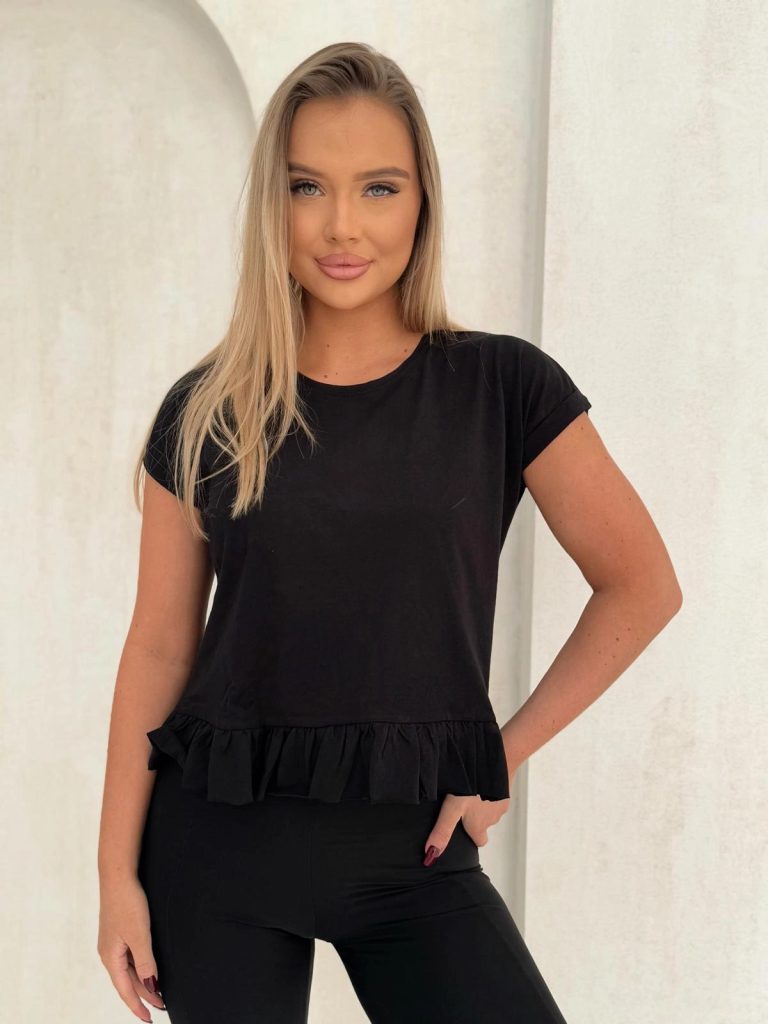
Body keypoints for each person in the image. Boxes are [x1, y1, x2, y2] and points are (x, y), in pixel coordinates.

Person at [97, 41, 683, 1024]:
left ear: (421, 203)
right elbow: (159, 644)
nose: (342, 224)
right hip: (218, 854)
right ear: (272, 205)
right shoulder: (206, 411)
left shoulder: (502, 388)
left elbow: (642, 583)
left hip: (415, 854)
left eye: (378, 187)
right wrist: (115, 875)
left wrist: (502, 756)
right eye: (307, 187)